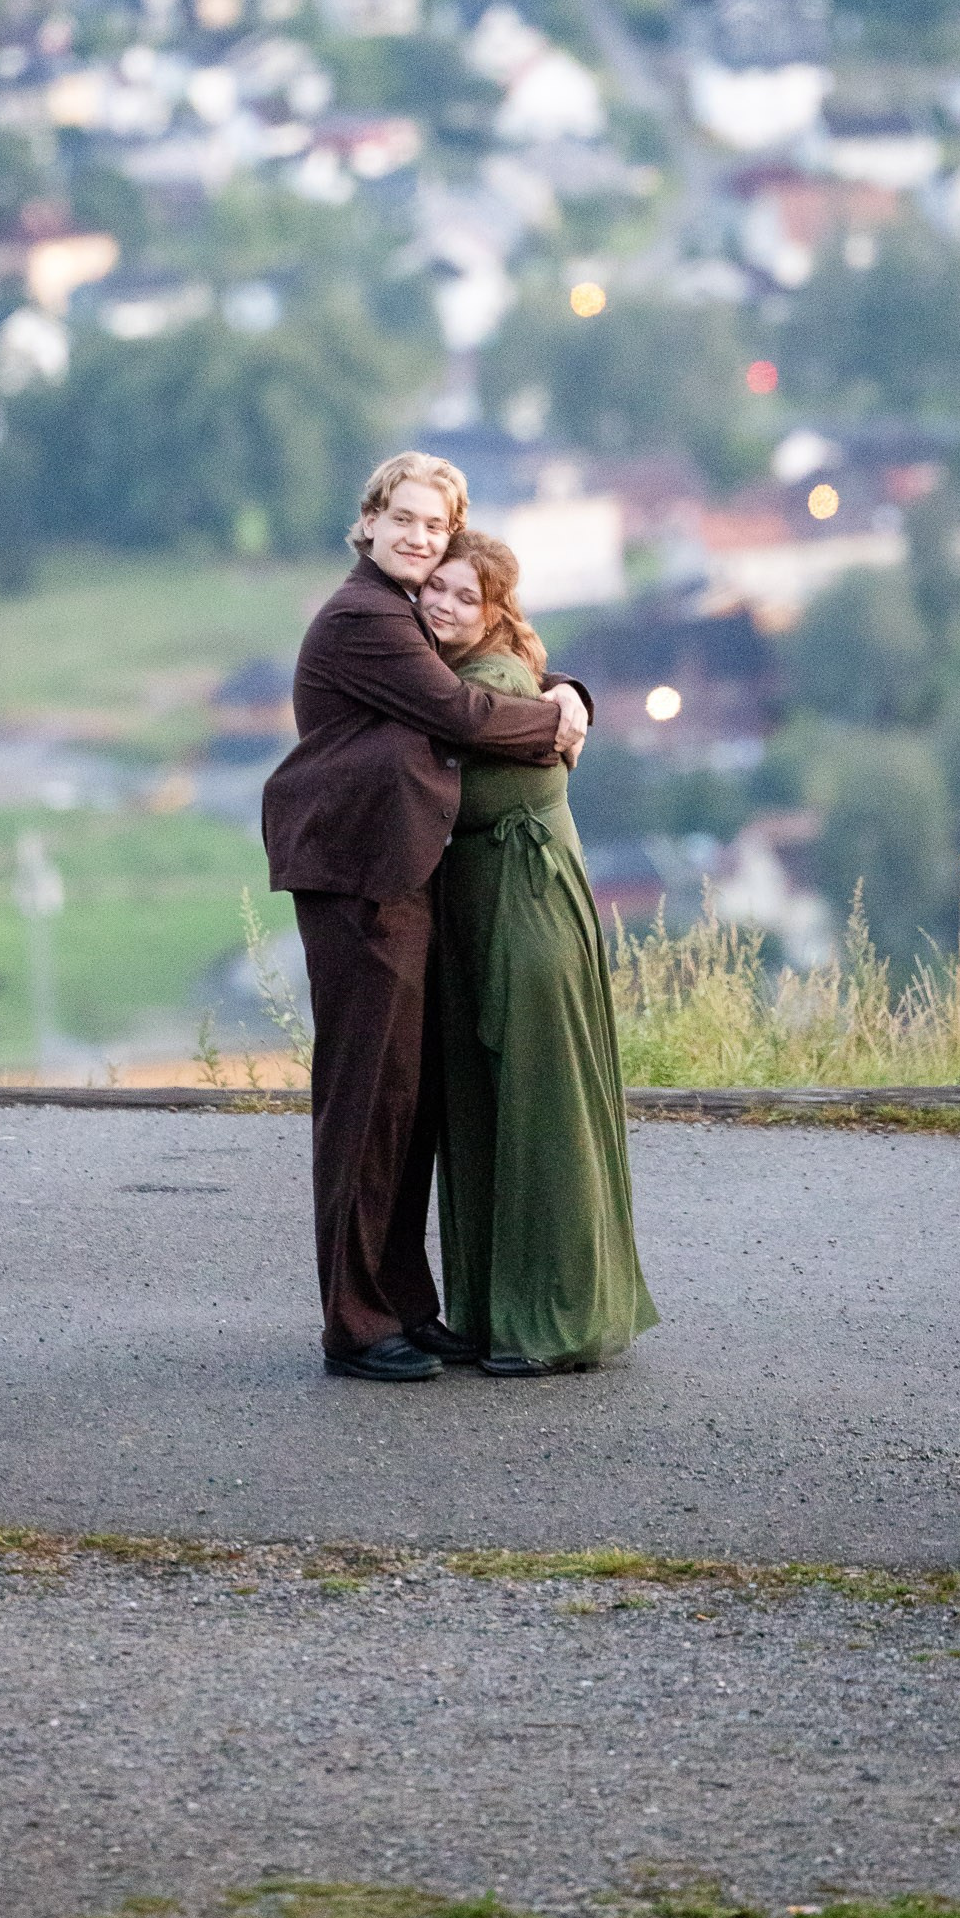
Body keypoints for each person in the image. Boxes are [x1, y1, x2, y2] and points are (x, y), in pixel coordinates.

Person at [262, 453, 591, 1382]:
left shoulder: (402, 609)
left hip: (395, 875)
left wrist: (568, 689)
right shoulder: (362, 615)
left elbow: (484, 652)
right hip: (359, 876)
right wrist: (561, 723)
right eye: (403, 519)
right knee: (367, 1104)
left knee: (405, 1101)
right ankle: (357, 1327)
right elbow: (457, 708)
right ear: (368, 521)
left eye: (436, 527)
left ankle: (406, 1304)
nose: (418, 537)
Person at [417, 530, 658, 1378]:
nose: (442, 604)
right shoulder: (470, 674)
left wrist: (565, 705)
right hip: (486, 911)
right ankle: (497, 1313)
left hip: (525, 912)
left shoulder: (497, 684)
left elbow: (459, 762)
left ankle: (555, 1319)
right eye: (434, 588)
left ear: (494, 611)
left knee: (538, 1111)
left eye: (463, 595)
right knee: (489, 1110)